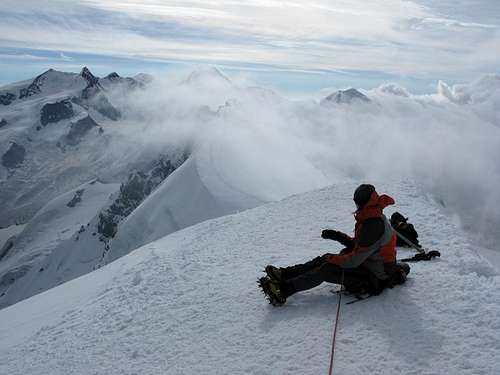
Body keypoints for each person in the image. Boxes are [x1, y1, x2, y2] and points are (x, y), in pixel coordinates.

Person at [259, 184, 409, 306]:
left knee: (327, 269)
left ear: (363, 203)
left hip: (375, 277)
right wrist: (337, 236)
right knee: (326, 258)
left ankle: (282, 291)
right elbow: (360, 246)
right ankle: (284, 275)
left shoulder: (373, 225)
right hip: (369, 264)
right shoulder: (372, 216)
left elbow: (353, 260)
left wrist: (332, 258)